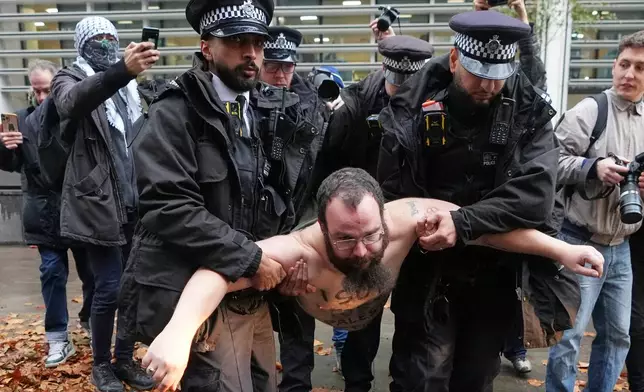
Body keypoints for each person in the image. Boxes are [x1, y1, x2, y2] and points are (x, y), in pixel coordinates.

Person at [139, 167, 604, 392]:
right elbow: (216, 271)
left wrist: (561, 248)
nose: (361, 251)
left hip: (374, 312)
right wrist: (177, 336)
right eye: (345, 240)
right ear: (322, 229)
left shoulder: (406, 218)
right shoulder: (297, 249)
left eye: (370, 236)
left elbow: (488, 229)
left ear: (384, 217)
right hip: (302, 308)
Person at [377, 10, 567, 391]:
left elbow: (535, 198)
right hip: (426, 273)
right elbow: (391, 195)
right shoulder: (409, 112)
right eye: (477, 72)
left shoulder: (529, 114)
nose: (486, 85)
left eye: (497, 77)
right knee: (421, 378)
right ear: (453, 60)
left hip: (494, 277)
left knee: (477, 378)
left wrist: (462, 223)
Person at [117, 0, 297, 391]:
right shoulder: (176, 110)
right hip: (196, 298)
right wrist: (250, 258)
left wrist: (289, 257)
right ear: (206, 47)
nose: (251, 54)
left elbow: (273, 198)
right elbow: (167, 206)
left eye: (258, 42)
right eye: (236, 41)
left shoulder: (265, 111)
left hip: (254, 293)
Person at [38, 16, 158, 392]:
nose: (105, 43)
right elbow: (74, 102)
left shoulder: (132, 89)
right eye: (97, 38)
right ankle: (101, 364)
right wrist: (121, 70)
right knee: (108, 287)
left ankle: (124, 359)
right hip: (97, 201)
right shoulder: (68, 78)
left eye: (111, 38)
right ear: (81, 43)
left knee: (133, 285)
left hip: (135, 201)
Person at [546, 30, 644, 392]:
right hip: (579, 242)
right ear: (614, 65)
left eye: (639, 67)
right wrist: (594, 168)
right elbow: (549, 163)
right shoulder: (591, 110)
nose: (629, 74)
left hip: (622, 250)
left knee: (619, 337)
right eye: (623, 64)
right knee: (569, 336)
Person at [0, 60, 94, 369]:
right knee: (52, 273)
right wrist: (6, 148)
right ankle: (57, 336)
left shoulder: (75, 116)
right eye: (36, 90)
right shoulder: (23, 120)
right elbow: (12, 165)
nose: (41, 97)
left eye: (47, 90)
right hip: (43, 211)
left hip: (79, 209)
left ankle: (90, 319)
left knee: (93, 273)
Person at [258, 25, 332, 392]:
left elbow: (322, 180)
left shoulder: (314, 110)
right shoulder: (237, 104)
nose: (281, 75)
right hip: (248, 241)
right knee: (247, 339)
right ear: (257, 62)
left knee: (298, 335)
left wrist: (304, 241)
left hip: (296, 235)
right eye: (272, 66)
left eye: (287, 67)